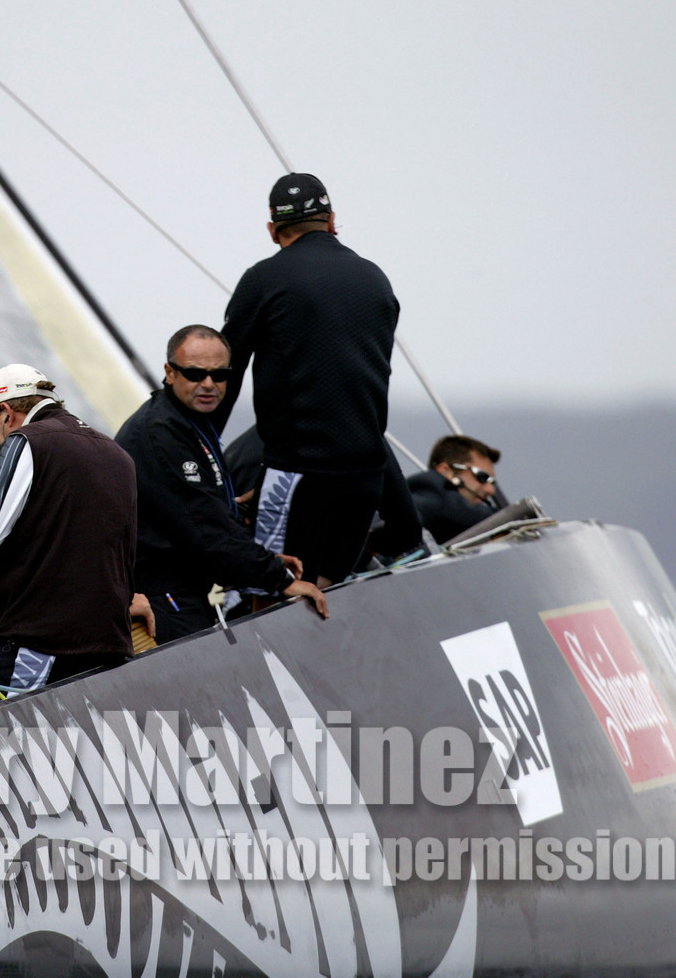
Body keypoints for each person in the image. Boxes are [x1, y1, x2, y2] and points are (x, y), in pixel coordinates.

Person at [219, 172, 421, 584]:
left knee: (276, 592)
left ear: (274, 231)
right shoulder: (375, 279)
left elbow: (225, 373)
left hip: (297, 475)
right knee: (325, 592)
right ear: (332, 221)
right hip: (366, 478)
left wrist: (206, 460)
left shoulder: (264, 279)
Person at [116, 324, 327, 639]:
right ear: (169, 373)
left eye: (220, 375)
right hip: (162, 599)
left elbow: (205, 514)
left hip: (179, 592)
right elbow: (205, 527)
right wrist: (279, 579)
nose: (208, 384)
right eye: (194, 373)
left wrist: (260, 559)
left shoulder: (187, 421)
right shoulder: (162, 431)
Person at [0, 364, 147, 689]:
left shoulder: (25, 441)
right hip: (109, 648)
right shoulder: (118, 453)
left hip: (38, 646)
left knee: (5, 741)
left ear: (6, 412)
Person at [407, 435, 504, 544]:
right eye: (482, 477)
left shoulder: (452, 525)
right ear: (445, 471)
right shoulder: (431, 492)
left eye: (492, 482)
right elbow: (454, 508)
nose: (490, 490)